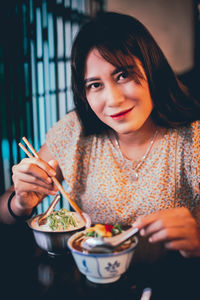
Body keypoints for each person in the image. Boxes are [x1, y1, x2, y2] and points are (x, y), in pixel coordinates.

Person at [0, 12, 200, 262]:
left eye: (123, 75)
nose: (114, 100)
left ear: (152, 70)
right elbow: (4, 210)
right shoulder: (74, 131)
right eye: (95, 85)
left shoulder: (192, 139)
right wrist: (20, 203)